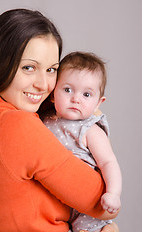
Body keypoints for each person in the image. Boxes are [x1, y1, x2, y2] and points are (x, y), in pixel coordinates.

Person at [0, 9, 119, 232]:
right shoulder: (17, 126)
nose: (43, 84)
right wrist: (93, 124)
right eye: (28, 67)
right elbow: (103, 205)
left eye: (51, 70)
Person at [43, 52, 122, 232]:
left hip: (84, 207)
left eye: (86, 94)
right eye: (68, 90)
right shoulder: (45, 119)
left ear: (98, 103)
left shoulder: (90, 130)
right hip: (54, 199)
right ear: (53, 93)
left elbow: (108, 162)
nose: (76, 99)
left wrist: (113, 193)